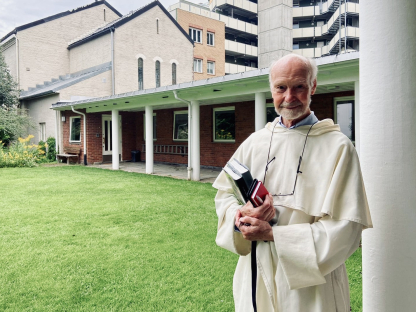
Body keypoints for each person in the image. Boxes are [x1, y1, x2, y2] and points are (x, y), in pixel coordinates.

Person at [213, 54, 372, 312]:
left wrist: (273, 234)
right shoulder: (255, 142)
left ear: (313, 87)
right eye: (281, 87)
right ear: (272, 89)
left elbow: (346, 228)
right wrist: (241, 217)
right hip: (256, 273)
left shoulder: (338, 147)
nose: (289, 97)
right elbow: (224, 195)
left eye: (299, 86)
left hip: (311, 285)